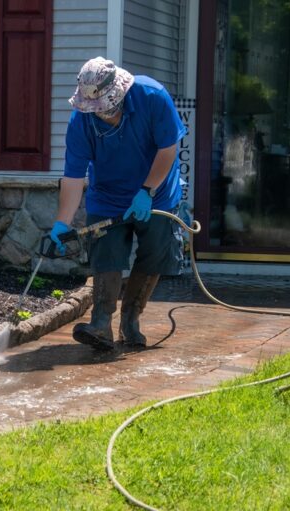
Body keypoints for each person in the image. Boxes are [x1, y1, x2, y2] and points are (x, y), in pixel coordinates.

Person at [50, 56, 188, 351]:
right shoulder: (81, 120)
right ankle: (101, 324)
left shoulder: (153, 97)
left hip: (158, 192)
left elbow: (168, 149)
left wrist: (146, 190)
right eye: (97, 111)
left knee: (154, 256)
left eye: (109, 108)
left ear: (121, 93)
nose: (104, 115)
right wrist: (61, 223)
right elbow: (73, 177)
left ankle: (130, 320)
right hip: (108, 195)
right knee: (106, 253)